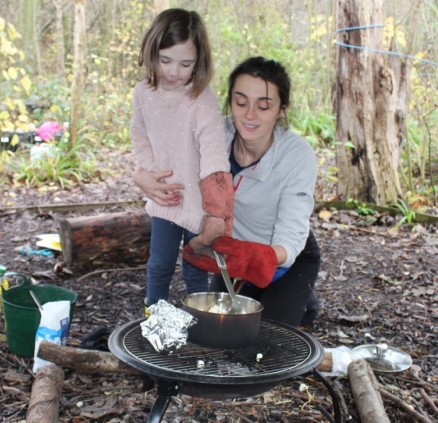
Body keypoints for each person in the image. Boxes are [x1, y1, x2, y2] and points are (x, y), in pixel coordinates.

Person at [136, 56, 320, 327]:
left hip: (283, 257)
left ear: (282, 109)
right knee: (224, 329)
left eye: (264, 106)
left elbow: (291, 238)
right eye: (241, 102)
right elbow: (165, 156)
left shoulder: (297, 155)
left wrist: (258, 257)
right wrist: (140, 176)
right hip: (229, 255)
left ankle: (303, 299)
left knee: (269, 339)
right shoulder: (214, 134)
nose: (249, 115)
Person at [130, 8, 233, 311]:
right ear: (152, 53)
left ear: (198, 62)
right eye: (166, 61)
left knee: (196, 266)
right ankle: (156, 319)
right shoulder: (143, 92)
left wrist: (217, 210)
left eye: (185, 64)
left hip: (200, 203)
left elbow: (214, 154)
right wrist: (152, 177)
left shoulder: (201, 98)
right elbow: (140, 135)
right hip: (167, 198)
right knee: (159, 264)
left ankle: (199, 320)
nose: (174, 72)